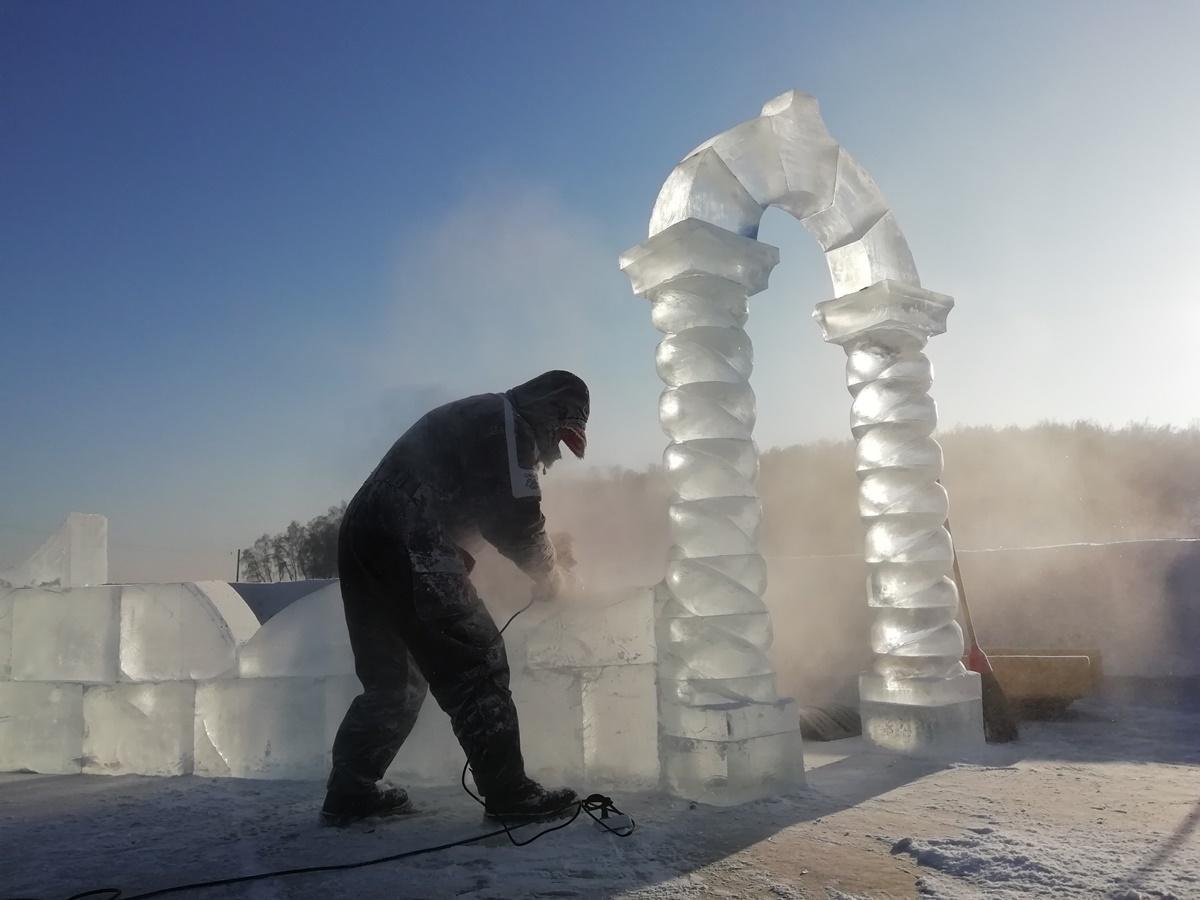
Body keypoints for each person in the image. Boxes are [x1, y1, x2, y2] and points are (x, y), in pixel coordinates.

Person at [321, 370, 589, 826]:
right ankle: (509, 792)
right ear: (552, 413)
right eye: (561, 437)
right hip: (406, 532)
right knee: (476, 660)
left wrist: (534, 552)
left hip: (367, 532)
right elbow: (514, 520)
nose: (557, 451)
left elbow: (477, 510)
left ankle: (351, 789)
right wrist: (551, 575)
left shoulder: (484, 419)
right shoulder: (509, 422)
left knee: (394, 678)